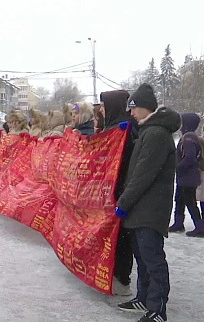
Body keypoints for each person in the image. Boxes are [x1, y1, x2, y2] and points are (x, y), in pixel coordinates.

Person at [115, 84, 179, 322]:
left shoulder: (157, 134)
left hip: (150, 208)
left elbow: (143, 175)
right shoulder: (148, 131)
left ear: (144, 108)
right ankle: (143, 297)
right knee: (142, 257)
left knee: (152, 259)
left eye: (133, 109)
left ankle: (158, 309)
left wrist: (124, 201)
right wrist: (129, 132)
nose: (130, 113)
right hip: (140, 207)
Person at [100, 89, 137, 297]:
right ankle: (112, 274)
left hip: (121, 190)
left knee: (122, 237)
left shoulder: (126, 129)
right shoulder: (113, 126)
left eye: (105, 106)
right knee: (114, 236)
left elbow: (126, 163)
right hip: (111, 190)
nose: (102, 111)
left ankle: (122, 280)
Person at [170, 113, 204, 237]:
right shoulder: (189, 136)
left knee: (189, 201)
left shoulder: (188, 138)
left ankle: (200, 227)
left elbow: (190, 158)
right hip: (186, 177)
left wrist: (177, 167)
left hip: (188, 177)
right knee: (179, 199)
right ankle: (178, 223)